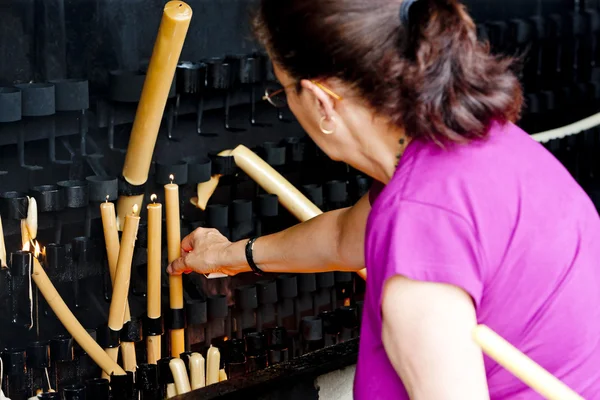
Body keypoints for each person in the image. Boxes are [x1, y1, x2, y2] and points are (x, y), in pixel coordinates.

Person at [168, 0, 600, 398]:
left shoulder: (421, 233)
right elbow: (342, 237)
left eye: (283, 92)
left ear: (321, 102)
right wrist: (229, 254)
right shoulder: (474, 144)